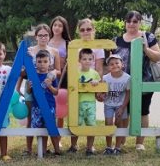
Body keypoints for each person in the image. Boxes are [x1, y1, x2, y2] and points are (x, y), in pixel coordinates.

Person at [113, 10, 160, 151]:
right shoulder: (117, 40)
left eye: (135, 21)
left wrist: (145, 49)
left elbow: (158, 57)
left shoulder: (148, 37)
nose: (131, 24)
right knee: (123, 112)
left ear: (140, 22)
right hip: (122, 83)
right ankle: (120, 141)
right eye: (128, 21)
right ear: (125, 23)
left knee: (143, 112)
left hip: (144, 81)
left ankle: (140, 143)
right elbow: (111, 61)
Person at [20, 24, 60, 155]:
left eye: (46, 35)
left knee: (48, 120)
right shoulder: (30, 50)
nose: (43, 37)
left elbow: (58, 70)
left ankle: (44, 148)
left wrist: (53, 73)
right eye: (40, 35)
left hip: (47, 84)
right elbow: (23, 71)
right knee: (31, 119)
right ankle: (29, 148)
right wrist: (19, 86)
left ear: (49, 36)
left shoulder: (54, 51)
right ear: (36, 37)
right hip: (32, 86)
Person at [26, 49, 61, 156]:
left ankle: (57, 150)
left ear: (49, 63)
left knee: (51, 127)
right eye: (39, 62)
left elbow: (56, 92)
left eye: (45, 62)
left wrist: (49, 85)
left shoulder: (51, 76)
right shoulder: (33, 76)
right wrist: (28, 87)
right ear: (35, 63)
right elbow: (29, 92)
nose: (42, 64)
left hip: (49, 106)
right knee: (39, 128)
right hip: (36, 107)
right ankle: (43, 150)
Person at [67, 48, 100, 156]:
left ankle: (89, 148)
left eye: (90, 59)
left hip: (90, 103)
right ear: (79, 60)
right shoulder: (75, 73)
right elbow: (71, 87)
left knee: (91, 125)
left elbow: (99, 84)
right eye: (84, 59)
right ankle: (73, 145)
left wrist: (96, 82)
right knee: (76, 125)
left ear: (93, 60)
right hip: (77, 103)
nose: (87, 61)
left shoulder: (94, 74)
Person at [100, 54, 130, 155]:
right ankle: (108, 147)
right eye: (111, 64)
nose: (114, 65)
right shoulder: (105, 78)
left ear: (122, 64)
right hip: (109, 104)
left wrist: (122, 107)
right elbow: (103, 92)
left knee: (119, 123)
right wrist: (102, 96)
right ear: (108, 67)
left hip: (121, 104)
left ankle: (117, 147)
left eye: (117, 63)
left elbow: (128, 93)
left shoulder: (127, 78)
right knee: (108, 124)